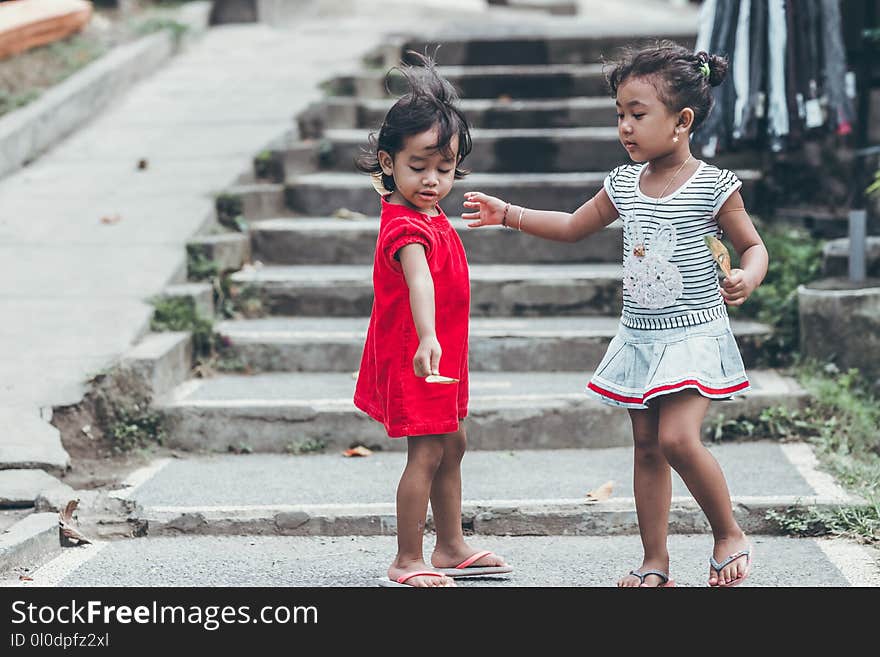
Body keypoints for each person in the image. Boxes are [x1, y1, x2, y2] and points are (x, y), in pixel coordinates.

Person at [461, 41, 768, 588]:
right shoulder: (624, 184)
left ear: (683, 121)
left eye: (638, 115)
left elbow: (754, 247)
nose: (625, 127)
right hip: (641, 336)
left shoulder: (712, 185)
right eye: (619, 115)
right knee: (647, 446)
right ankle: (655, 562)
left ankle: (727, 532)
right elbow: (571, 226)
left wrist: (748, 275)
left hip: (693, 332)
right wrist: (508, 214)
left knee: (677, 439)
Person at [353, 51, 511, 587]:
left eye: (444, 170)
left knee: (453, 442)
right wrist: (426, 337)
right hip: (420, 353)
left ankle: (450, 545)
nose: (432, 180)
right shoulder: (404, 226)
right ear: (386, 161)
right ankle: (407, 557)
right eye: (418, 167)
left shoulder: (428, 212)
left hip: (443, 352)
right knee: (426, 451)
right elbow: (419, 279)